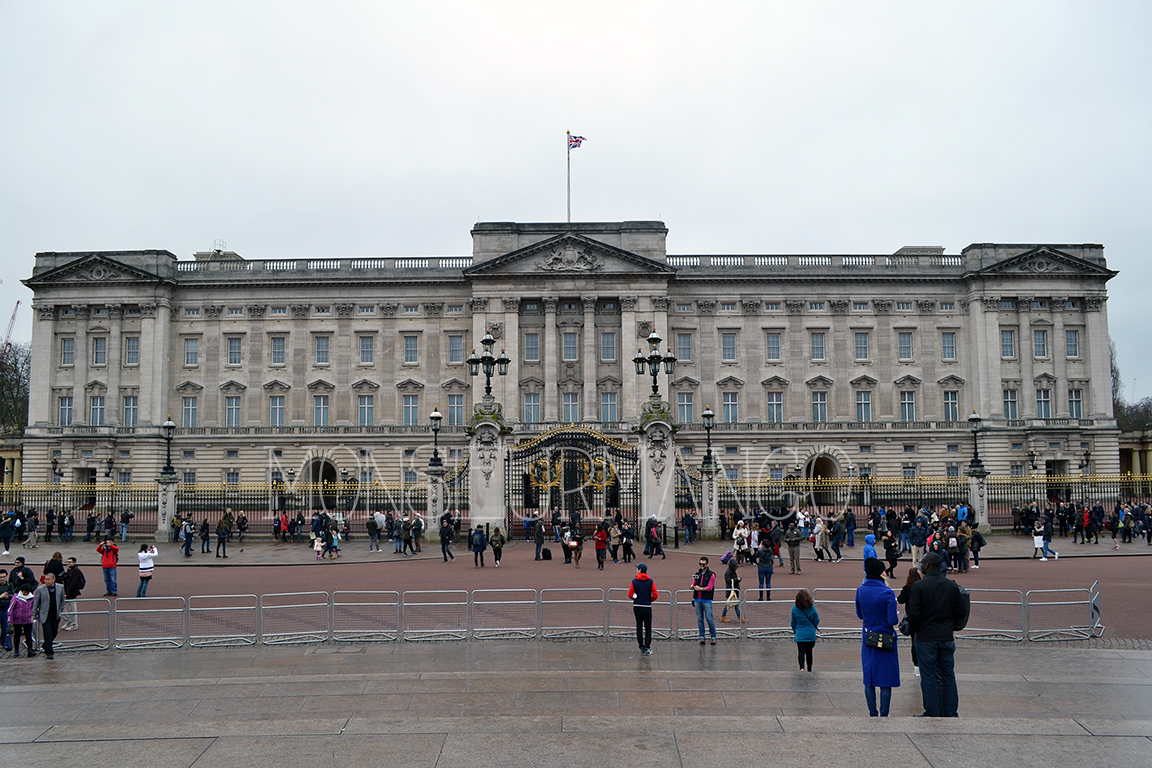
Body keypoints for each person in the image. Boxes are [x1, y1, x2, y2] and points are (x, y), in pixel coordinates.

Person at [906, 551, 966, 717]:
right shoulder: (951, 585)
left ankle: (932, 711)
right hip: (946, 636)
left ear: (926, 566)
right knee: (948, 675)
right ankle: (950, 711)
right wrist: (950, 624)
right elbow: (961, 611)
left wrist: (916, 627)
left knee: (929, 676)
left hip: (926, 637)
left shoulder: (920, 586)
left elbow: (913, 614)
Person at [855, 557, 900, 717]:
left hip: (868, 636)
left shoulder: (860, 590)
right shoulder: (887, 592)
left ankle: (872, 712)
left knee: (870, 677)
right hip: (886, 637)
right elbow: (892, 620)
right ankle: (884, 713)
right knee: (886, 679)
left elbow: (860, 614)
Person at [33, 571, 65, 659]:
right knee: (47, 633)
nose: (46, 581)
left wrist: (60, 609)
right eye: (45, 580)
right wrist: (33, 615)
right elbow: (36, 603)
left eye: (48, 580)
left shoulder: (60, 587)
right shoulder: (40, 589)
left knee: (54, 631)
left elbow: (62, 600)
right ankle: (50, 652)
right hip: (45, 615)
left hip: (55, 614)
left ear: (54, 579)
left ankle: (46, 644)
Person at [896, 567, 922, 678]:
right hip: (923, 617)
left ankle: (916, 666)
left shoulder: (907, 588)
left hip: (912, 618)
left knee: (914, 643)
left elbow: (900, 599)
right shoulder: (922, 586)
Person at [628, 562, 658, 656]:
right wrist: (650, 600)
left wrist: (635, 598)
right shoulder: (651, 581)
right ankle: (647, 647)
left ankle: (641, 647)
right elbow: (655, 594)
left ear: (640, 570)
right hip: (647, 606)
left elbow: (630, 594)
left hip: (637, 606)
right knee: (648, 627)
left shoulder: (634, 581)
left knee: (639, 627)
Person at [791, 589, 820, 671]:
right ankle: (809, 668)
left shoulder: (795, 609)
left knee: (801, 652)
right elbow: (816, 619)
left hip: (800, 633)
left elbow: (793, 622)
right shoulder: (812, 608)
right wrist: (813, 626)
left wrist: (795, 630)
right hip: (810, 633)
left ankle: (801, 668)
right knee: (809, 652)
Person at [691, 556, 717, 645]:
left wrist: (700, 589)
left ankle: (713, 636)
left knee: (709, 619)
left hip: (706, 600)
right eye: (700, 564)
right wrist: (692, 586)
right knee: (700, 619)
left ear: (707, 564)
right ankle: (702, 636)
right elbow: (694, 582)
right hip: (697, 599)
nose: (701, 566)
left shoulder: (712, 575)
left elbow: (710, 587)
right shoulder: (697, 573)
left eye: (703, 564)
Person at [7, 580, 35, 657]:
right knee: (17, 635)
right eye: (24, 592)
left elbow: (34, 608)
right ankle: (16, 650)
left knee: (28, 635)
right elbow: (11, 608)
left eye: (27, 592)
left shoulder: (32, 598)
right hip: (17, 620)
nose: (25, 593)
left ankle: (30, 650)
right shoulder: (16, 598)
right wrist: (10, 619)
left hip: (28, 620)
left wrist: (34, 617)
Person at [60, 557, 85, 631]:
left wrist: (66, 593)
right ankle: (68, 620)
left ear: (74, 562)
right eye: (67, 562)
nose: (68, 564)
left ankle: (74, 624)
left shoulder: (75, 571)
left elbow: (73, 583)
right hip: (67, 592)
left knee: (72, 609)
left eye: (70, 562)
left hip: (71, 593)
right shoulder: (70, 570)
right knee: (60, 607)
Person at [720, 557, 742, 623]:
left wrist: (738, 580)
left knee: (733, 605)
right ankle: (738, 617)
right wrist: (736, 580)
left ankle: (738, 617)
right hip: (731, 591)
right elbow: (728, 580)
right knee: (732, 605)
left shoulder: (732, 571)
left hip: (733, 590)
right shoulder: (728, 572)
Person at [0, 569, 13, 650]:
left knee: (5, 628)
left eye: (4, 577)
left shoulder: (9, 585)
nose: (2, 579)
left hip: (5, 609)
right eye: (0, 577)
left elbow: (14, 595)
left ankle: (3, 643)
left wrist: (8, 596)